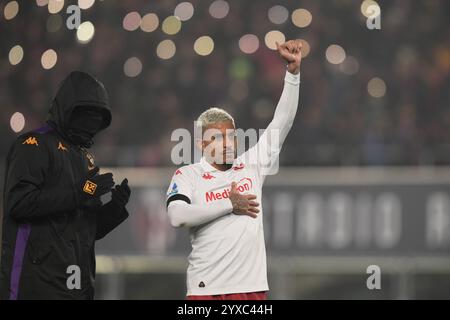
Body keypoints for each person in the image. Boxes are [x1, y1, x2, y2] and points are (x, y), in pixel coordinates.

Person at [166, 40, 302, 300]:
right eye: (217, 138)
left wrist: (293, 75)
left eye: (230, 136)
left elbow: (282, 121)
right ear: (201, 144)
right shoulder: (187, 175)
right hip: (205, 291)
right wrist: (230, 204)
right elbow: (177, 216)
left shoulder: (252, 165)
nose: (226, 143)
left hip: (251, 290)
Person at [0, 71, 131, 300]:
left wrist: (115, 209)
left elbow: (88, 229)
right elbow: (18, 204)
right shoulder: (33, 145)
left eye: (97, 116)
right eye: (86, 113)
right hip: (34, 286)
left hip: (77, 287)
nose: (92, 121)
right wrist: (83, 191)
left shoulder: (84, 158)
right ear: (68, 109)